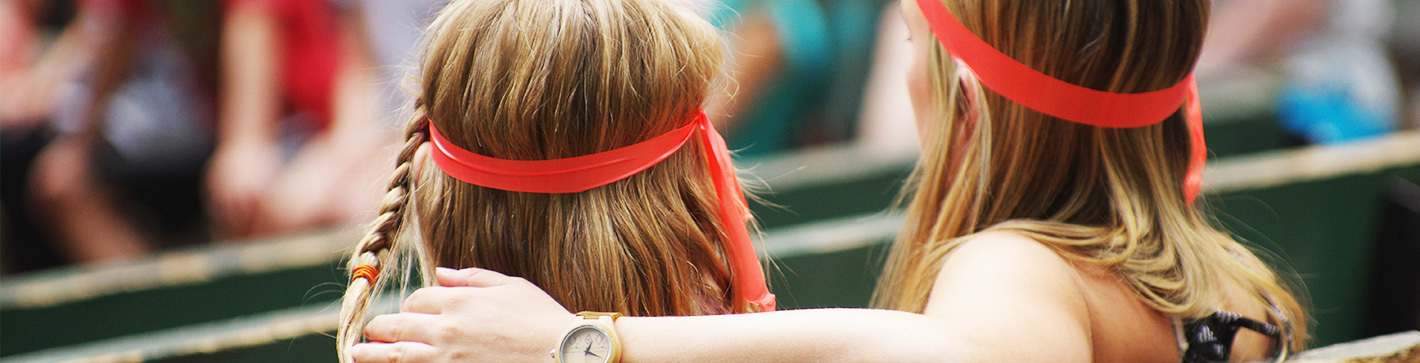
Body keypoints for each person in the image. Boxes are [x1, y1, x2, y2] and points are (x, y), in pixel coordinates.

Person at [350, 0, 1310, 362]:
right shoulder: (1239, 281)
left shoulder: (1018, 268)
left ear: (964, 101)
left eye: (908, 42)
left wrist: (585, 339)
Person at [334, 0, 776, 361]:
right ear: (690, 186)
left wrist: (573, 339)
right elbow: (848, 339)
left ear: (428, 190)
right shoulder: (738, 348)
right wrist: (589, 344)